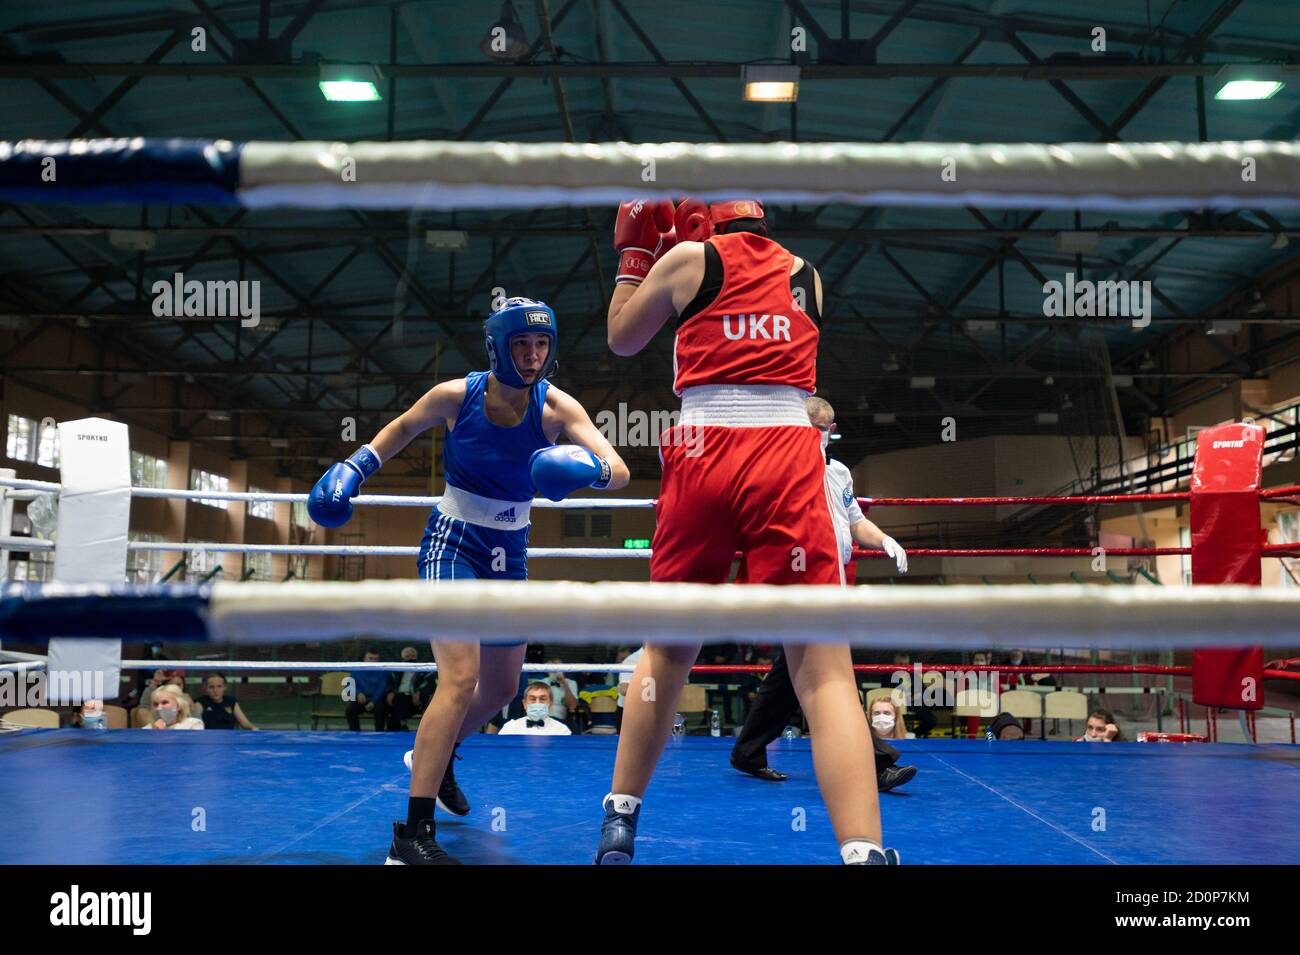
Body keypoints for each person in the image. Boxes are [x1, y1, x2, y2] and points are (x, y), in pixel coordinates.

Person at [598, 197, 898, 865]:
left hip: (703, 447)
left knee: (670, 650)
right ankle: (864, 852)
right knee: (822, 669)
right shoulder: (808, 273)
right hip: (788, 452)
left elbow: (621, 336)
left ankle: (620, 821)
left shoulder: (684, 260)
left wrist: (633, 258)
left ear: (705, 219)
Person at [307, 296, 629, 865]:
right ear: (498, 347)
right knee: (459, 678)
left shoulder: (557, 409)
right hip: (451, 541)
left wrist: (588, 469)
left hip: (511, 549)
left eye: (542, 345)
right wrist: (354, 466)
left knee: (502, 687)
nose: (532, 357)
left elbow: (620, 471)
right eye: (521, 345)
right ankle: (411, 837)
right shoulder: (457, 395)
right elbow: (404, 427)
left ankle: (443, 753)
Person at [730, 396, 916, 794]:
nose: (822, 436)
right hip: (800, 587)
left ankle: (748, 750)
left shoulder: (840, 473)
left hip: (834, 584)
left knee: (793, 677)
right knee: (833, 678)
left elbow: (856, 521)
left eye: (827, 429)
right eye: (814, 428)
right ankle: (877, 764)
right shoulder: (778, 473)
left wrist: (885, 541)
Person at [387, 646, 434, 730]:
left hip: (417, 697)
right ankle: (399, 726)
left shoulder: (423, 671)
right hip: (399, 696)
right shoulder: (396, 671)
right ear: (402, 658)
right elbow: (391, 684)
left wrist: (418, 692)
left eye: (413, 656)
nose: (410, 658)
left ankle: (400, 726)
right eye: (407, 656)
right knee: (399, 699)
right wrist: (390, 692)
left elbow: (427, 683)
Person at [498, 683, 573, 736]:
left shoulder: (561, 730)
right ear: (524, 704)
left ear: (550, 703)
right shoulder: (511, 727)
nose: (537, 703)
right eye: (533, 699)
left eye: (542, 699)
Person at [345, 649, 391, 732]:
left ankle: (379, 734)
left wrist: (373, 702)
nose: (373, 661)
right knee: (350, 711)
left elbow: (382, 688)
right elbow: (349, 685)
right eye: (370, 658)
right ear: (364, 659)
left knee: (381, 710)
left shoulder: (384, 672)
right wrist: (358, 693)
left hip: (377, 700)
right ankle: (355, 734)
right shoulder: (356, 670)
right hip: (361, 699)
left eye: (376, 659)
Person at [538, 658, 580, 729]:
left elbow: (572, 706)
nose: (556, 670)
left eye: (559, 667)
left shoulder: (571, 683)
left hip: (561, 720)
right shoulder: (541, 682)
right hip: (542, 718)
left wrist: (564, 684)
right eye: (554, 667)